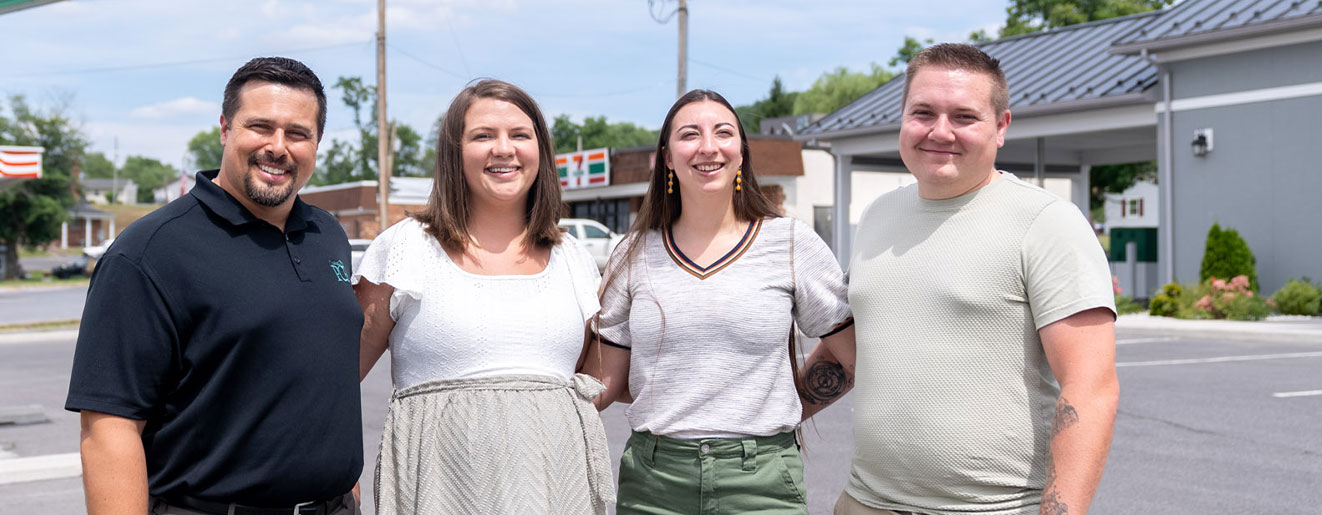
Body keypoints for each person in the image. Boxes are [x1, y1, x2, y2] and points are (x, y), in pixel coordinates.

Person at [808, 43, 1119, 515]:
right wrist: (753, 420)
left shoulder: (1045, 221)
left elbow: (1090, 388)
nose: (940, 131)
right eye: (923, 112)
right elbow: (847, 352)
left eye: (964, 117)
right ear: (903, 118)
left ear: (1001, 126)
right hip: (865, 502)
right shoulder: (879, 215)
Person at [65, 57, 363, 515]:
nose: (278, 147)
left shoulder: (328, 234)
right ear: (225, 128)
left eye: (298, 133)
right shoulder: (149, 253)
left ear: (317, 142)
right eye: (260, 126)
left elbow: (323, 391)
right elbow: (110, 427)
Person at [584, 89, 855, 515]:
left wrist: (778, 405)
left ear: (741, 153)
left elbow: (851, 356)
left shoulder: (789, 242)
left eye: (723, 133)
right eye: (689, 134)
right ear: (667, 158)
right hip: (655, 480)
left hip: (762, 478)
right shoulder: (633, 252)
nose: (708, 147)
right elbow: (607, 382)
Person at [354, 79, 613, 515]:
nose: (503, 149)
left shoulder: (575, 260)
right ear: (454, 152)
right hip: (438, 491)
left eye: (519, 135)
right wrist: (337, 474)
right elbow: (337, 378)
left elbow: (587, 383)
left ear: (541, 151)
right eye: (483, 136)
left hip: (557, 492)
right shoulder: (406, 247)